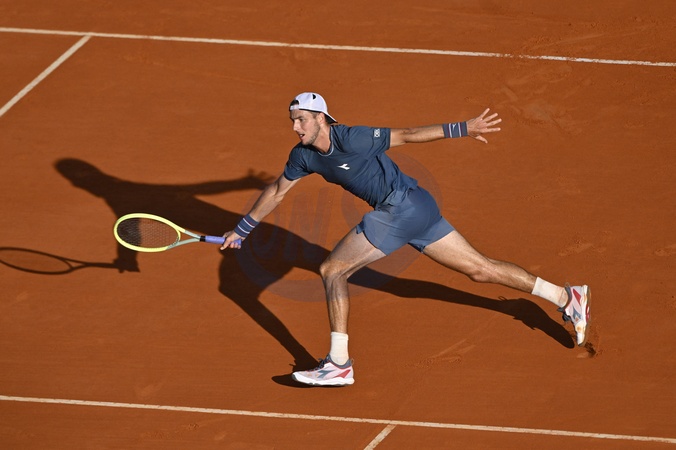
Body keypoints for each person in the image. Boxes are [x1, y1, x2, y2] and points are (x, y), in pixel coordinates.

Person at [220, 92, 591, 387]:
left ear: (321, 118)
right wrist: (242, 229)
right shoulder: (303, 156)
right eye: (292, 120)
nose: (295, 127)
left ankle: (338, 364)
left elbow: (408, 134)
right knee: (481, 270)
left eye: (301, 119)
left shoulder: (354, 137)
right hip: (417, 209)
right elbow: (277, 191)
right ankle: (565, 296)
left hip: (401, 207)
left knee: (333, 269)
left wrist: (463, 128)